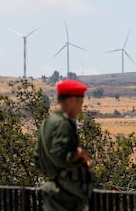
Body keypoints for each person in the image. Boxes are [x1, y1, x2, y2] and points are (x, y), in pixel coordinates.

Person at [34, 79, 94, 211]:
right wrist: (79, 154)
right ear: (72, 100)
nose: (80, 109)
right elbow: (60, 156)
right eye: (80, 103)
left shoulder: (47, 122)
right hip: (66, 199)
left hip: (53, 195)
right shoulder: (63, 123)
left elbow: (37, 157)